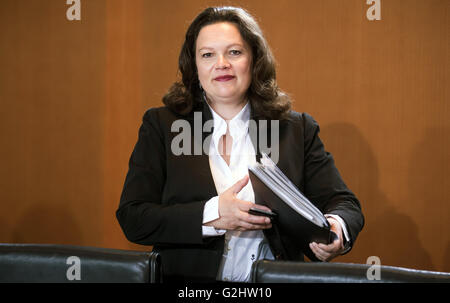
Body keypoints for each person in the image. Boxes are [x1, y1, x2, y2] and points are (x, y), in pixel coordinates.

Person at [116, 6, 364, 282]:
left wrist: (336, 229)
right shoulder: (161, 125)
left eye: (234, 52)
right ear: (194, 65)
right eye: (207, 54)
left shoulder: (296, 129)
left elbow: (344, 204)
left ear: (254, 59)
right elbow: (134, 217)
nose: (221, 63)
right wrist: (213, 215)